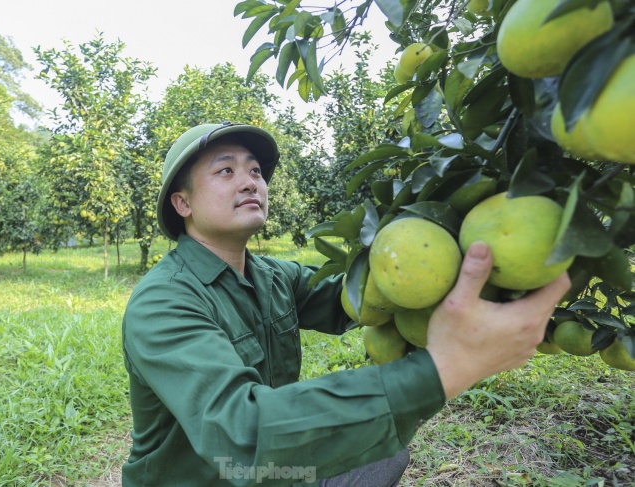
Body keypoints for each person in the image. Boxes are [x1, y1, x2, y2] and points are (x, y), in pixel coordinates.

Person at [121, 122, 570, 486]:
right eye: (226, 171)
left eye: (255, 170)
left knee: (384, 450)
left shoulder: (274, 275)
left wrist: (439, 248)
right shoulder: (163, 303)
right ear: (183, 203)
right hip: (213, 476)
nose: (250, 182)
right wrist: (446, 369)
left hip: (275, 474)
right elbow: (241, 433)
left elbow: (355, 300)